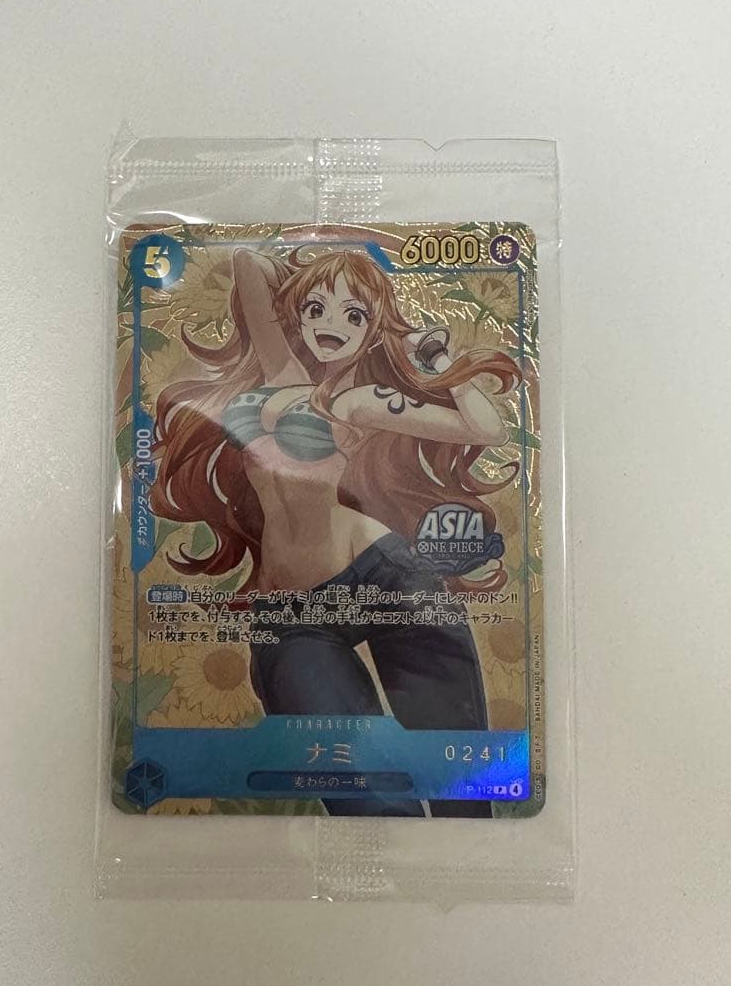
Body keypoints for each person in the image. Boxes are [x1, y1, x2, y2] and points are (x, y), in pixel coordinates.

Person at [152, 246, 520, 816]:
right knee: (362, 793)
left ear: (372, 332)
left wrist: (437, 362)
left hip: (387, 579)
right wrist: (323, 272)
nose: (333, 324)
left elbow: (485, 429)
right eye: (317, 309)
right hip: (291, 613)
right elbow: (248, 262)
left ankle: (467, 858)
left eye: (355, 315)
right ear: (298, 315)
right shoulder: (281, 371)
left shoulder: (359, 403)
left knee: (460, 779)